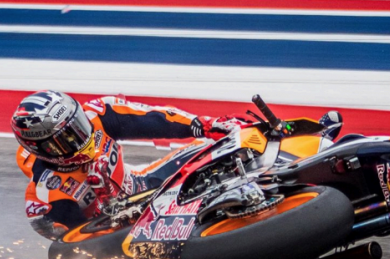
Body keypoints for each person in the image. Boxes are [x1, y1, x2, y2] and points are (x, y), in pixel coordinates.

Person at [12, 90, 246, 240]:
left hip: (145, 184)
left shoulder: (98, 114)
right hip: (127, 230)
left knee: (223, 139)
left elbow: (153, 118)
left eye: (79, 124)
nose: (83, 137)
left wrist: (203, 125)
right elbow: (75, 248)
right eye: (67, 138)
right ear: (41, 149)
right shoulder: (44, 196)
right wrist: (106, 207)